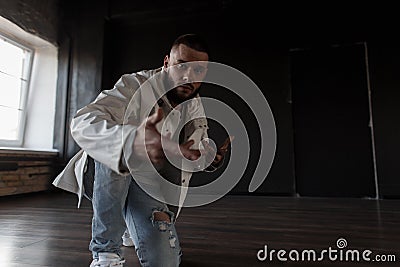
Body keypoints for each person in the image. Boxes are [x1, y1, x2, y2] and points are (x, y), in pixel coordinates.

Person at [53, 33, 232, 267]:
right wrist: (131, 139)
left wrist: (208, 158)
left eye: (198, 70)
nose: (188, 76)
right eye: (182, 66)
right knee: (123, 149)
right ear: (167, 62)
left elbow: (195, 147)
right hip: (106, 174)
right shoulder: (134, 85)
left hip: (148, 182)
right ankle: (106, 253)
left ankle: (130, 223)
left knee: (165, 261)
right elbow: (82, 120)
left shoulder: (194, 103)